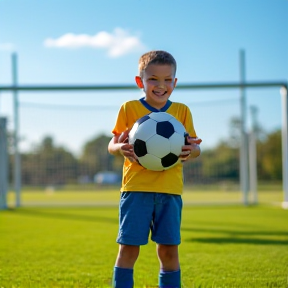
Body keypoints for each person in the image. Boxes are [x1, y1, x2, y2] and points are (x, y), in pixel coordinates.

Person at [108, 50, 202, 288]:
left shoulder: (181, 112)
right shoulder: (129, 108)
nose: (161, 85)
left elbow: (195, 148)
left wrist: (192, 151)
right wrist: (119, 147)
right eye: (153, 79)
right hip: (136, 189)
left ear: (175, 83)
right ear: (140, 81)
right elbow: (112, 144)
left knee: (169, 252)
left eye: (167, 80)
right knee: (128, 250)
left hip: (170, 191)